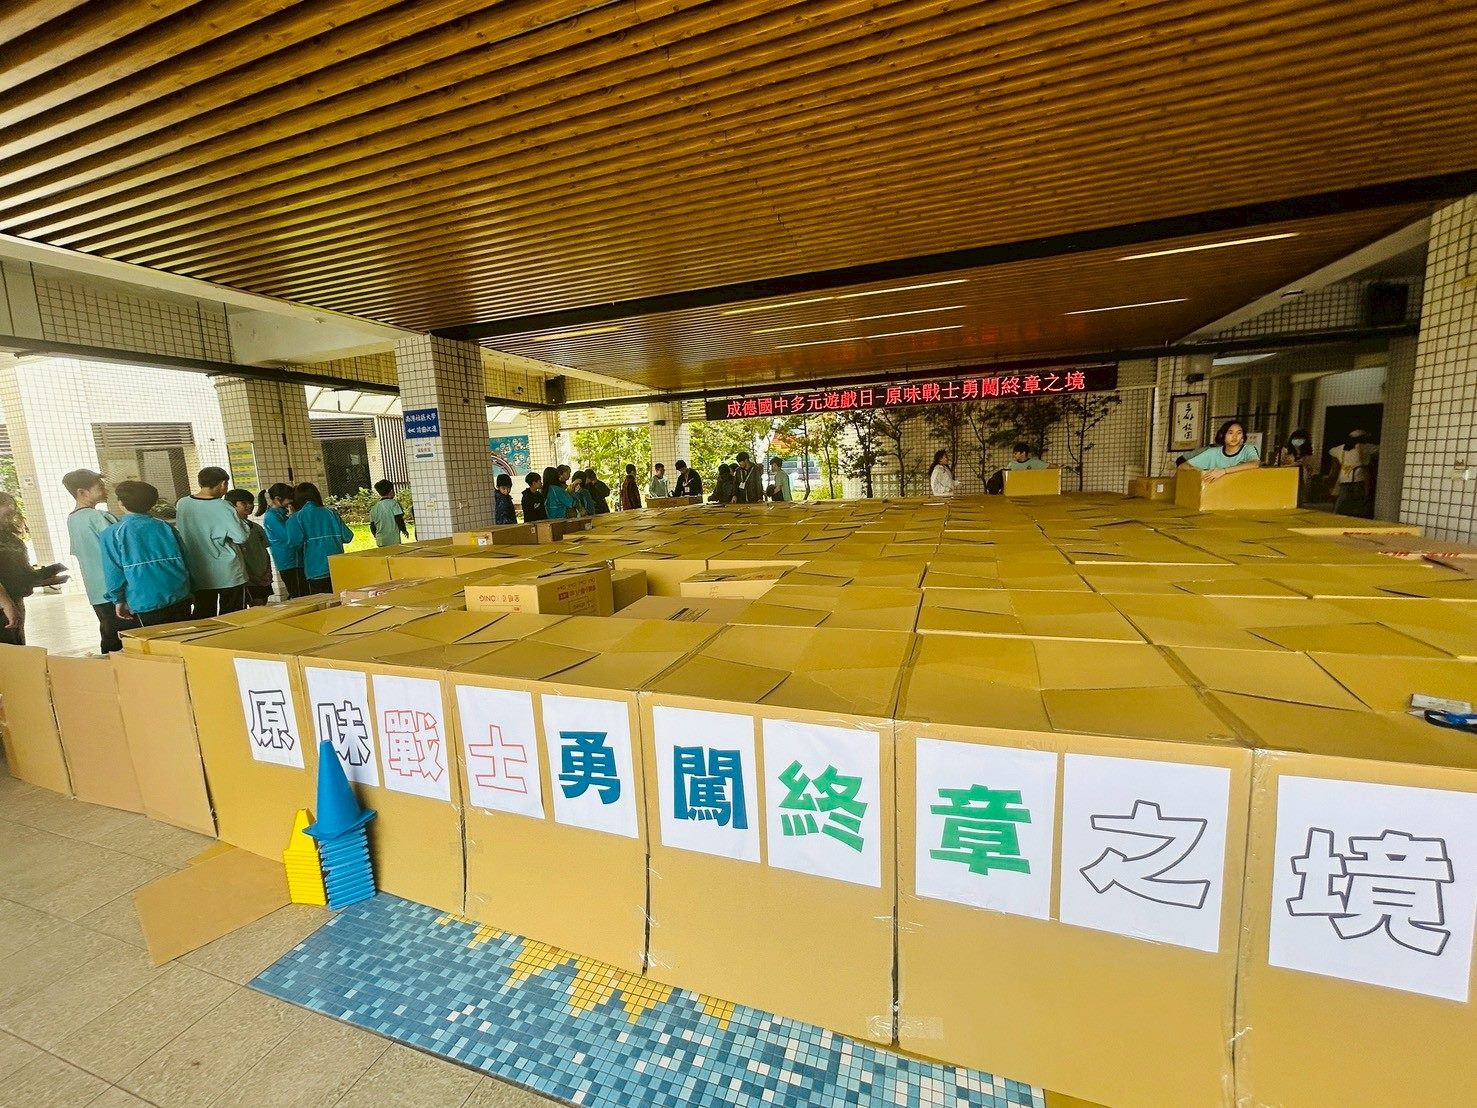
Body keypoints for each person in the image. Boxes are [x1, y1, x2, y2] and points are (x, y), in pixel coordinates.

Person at [101, 481, 194, 628]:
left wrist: (118, 599)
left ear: (121, 503)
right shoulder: (165, 526)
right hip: (179, 594)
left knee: (156, 639)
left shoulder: (112, 533)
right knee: (185, 636)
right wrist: (191, 589)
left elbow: (113, 571)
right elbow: (186, 559)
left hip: (145, 601)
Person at [63, 468, 136, 653]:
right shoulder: (98, 517)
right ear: (82, 492)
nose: (106, 489)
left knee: (109, 631)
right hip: (116, 588)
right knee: (127, 637)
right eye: (100, 487)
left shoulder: (72, 519)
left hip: (96, 590)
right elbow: (122, 548)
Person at [175, 466, 249, 617]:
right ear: (223, 484)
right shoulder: (222, 506)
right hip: (228, 572)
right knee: (234, 617)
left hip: (199, 571)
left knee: (203, 615)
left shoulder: (183, 503)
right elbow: (241, 536)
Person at [0, 492, 67, 645]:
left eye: (12, 505)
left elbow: (19, 574)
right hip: (5, 604)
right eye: (6, 505)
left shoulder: (10, 537)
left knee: (16, 648)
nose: (12, 509)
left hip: (15, 601)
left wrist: (44, 578)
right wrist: (6, 604)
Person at [286, 482, 353, 594]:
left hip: (316, 570)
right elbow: (348, 537)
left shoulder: (295, 518)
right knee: (343, 599)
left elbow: (294, 543)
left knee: (323, 602)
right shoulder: (331, 513)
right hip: (338, 567)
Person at [225, 490, 274, 606]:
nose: (250, 505)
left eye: (251, 502)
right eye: (244, 503)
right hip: (249, 580)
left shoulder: (256, 527)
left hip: (263, 576)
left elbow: (264, 551)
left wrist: (268, 571)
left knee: (263, 605)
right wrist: (253, 578)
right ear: (232, 505)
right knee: (257, 607)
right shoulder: (231, 530)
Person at [257, 483, 305, 600]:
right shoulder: (271, 516)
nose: (291, 501)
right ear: (278, 499)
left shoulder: (282, 512)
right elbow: (288, 536)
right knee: (298, 593)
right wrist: (293, 517)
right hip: (288, 561)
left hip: (296, 559)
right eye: (289, 499)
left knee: (301, 591)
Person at [1179, 420, 1261, 483]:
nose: (1235, 436)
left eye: (1239, 433)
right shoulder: (1212, 452)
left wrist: (1223, 471)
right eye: (1230, 433)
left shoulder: (1248, 449)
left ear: (1242, 437)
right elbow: (1182, 466)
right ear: (1222, 435)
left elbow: (1255, 464)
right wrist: (1200, 471)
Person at [1328, 429, 1379, 517]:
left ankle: (1337, 514)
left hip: (1344, 476)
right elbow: (1380, 449)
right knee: (1359, 498)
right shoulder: (1366, 447)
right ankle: (1357, 515)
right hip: (1359, 477)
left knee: (1343, 498)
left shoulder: (1341, 448)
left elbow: (1331, 451)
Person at [1276, 428, 1316, 506]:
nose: (1297, 441)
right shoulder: (1285, 451)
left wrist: (1305, 465)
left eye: (1300, 439)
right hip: (1287, 478)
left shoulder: (1307, 454)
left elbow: (1311, 468)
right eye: (1295, 439)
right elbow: (1277, 465)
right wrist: (1293, 465)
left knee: (1299, 498)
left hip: (1301, 479)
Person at [370, 479, 408, 546]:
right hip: (393, 539)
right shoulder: (394, 503)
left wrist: (375, 535)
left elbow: (372, 525)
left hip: (380, 539)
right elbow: (398, 518)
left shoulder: (374, 508)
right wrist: (404, 530)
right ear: (391, 491)